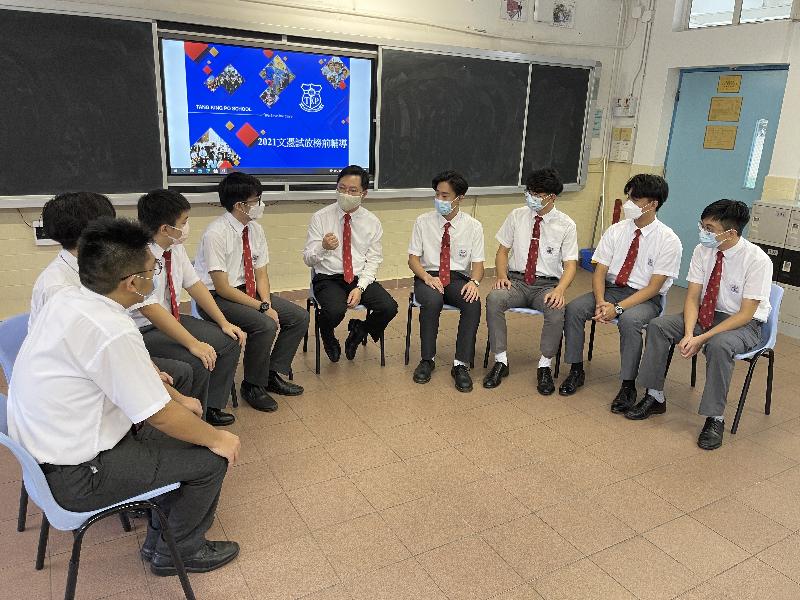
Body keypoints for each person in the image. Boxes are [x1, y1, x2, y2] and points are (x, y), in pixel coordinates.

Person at [8, 217, 240, 577]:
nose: (155, 276)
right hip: (78, 475)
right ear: (134, 283)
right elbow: (157, 415)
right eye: (153, 270)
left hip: (53, 453)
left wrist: (179, 401)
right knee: (210, 459)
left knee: (185, 431)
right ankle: (177, 553)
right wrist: (219, 438)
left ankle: (161, 536)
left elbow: (124, 380)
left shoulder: (69, 297)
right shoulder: (112, 329)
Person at [630, 200, 772, 450]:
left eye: (709, 228)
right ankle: (654, 396)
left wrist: (701, 339)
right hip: (707, 314)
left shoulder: (757, 260)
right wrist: (688, 333)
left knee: (718, 345)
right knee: (659, 326)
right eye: (703, 225)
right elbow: (693, 297)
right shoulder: (702, 250)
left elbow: (746, 313)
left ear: (731, 233)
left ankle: (714, 418)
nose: (703, 232)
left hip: (744, 324)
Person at [29, 192, 194, 395]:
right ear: (95, 234)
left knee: (180, 374)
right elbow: (95, 350)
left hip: (104, 355)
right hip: (80, 376)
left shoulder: (99, 265)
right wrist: (148, 374)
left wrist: (149, 368)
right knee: (170, 389)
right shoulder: (57, 287)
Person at [558, 174, 682, 412]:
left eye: (635, 199)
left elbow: (654, 287)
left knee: (629, 320)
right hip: (612, 290)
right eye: (629, 197)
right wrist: (602, 301)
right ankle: (575, 369)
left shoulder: (669, 240)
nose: (629, 204)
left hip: (645, 297)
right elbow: (599, 272)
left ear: (653, 203)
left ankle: (628, 385)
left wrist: (617, 309)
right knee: (574, 309)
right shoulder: (616, 231)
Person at [194, 171, 309, 412]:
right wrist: (262, 309)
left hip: (249, 292)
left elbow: (261, 274)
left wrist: (266, 302)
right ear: (240, 205)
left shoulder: (255, 229)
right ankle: (252, 385)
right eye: (256, 200)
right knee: (264, 325)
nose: (260, 204)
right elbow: (223, 287)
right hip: (217, 298)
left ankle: (270, 373)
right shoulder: (215, 233)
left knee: (298, 317)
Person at [133, 189, 246, 427]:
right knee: (198, 359)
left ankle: (212, 406)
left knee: (229, 341)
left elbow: (194, 285)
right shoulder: (138, 255)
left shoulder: (175, 248)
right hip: (143, 329)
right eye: (184, 222)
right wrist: (193, 344)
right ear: (165, 228)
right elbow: (150, 309)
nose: (187, 227)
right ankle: (194, 420)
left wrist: (224, 322)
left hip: (171, 319)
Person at [484, 168, 578, 395]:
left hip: (546, 286)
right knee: (494, 298)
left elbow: (571, 264)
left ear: (551, 197)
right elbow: (502, 251)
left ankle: (544, 365)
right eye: (529, 192)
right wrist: (501, 276)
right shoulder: (517, 216)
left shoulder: (566, 225)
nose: (531, 197)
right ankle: (501, 361)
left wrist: (560, 290)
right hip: (516, 281)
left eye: (537, 194)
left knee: (556, 309)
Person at [302, 165, 398, 362]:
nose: (346, 194)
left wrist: (361, 288)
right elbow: (308, 259)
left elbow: (373, 260)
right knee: (335, 310)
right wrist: (322, 247)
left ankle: (360, 330)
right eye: (341, 188)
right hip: (328, 278)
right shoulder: (321, 217)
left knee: (389, 307)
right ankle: (327, 335)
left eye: (352, 190)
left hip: (358, 277)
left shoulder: (372, 222)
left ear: (364, 193)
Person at [408, 170, 485, 393]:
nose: (439, 200)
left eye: (445, 196)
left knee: (472, 302)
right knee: (432, 301)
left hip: (457, 277)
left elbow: (478, 264)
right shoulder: (422, 221)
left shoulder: (473, 226)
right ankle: (427, 360)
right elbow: (413, 260)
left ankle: (461, 365)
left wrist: (475, 282)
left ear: (459, 198)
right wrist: (426, 277)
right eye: (437, 195)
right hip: (428, 276)